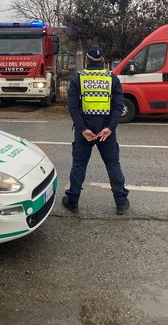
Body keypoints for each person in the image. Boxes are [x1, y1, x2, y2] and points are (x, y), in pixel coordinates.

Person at [62, 46, 130, 215]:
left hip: (84, 130)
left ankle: (73, 201)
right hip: (106, 131)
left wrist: (83, 129)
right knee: (113, 165)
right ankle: (121, 202)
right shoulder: (112, 78)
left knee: (79, 165)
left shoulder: (78, 78)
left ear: (86, 60)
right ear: (102, 60)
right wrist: (109, 128)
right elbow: (118, 106)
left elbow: (73, 107)